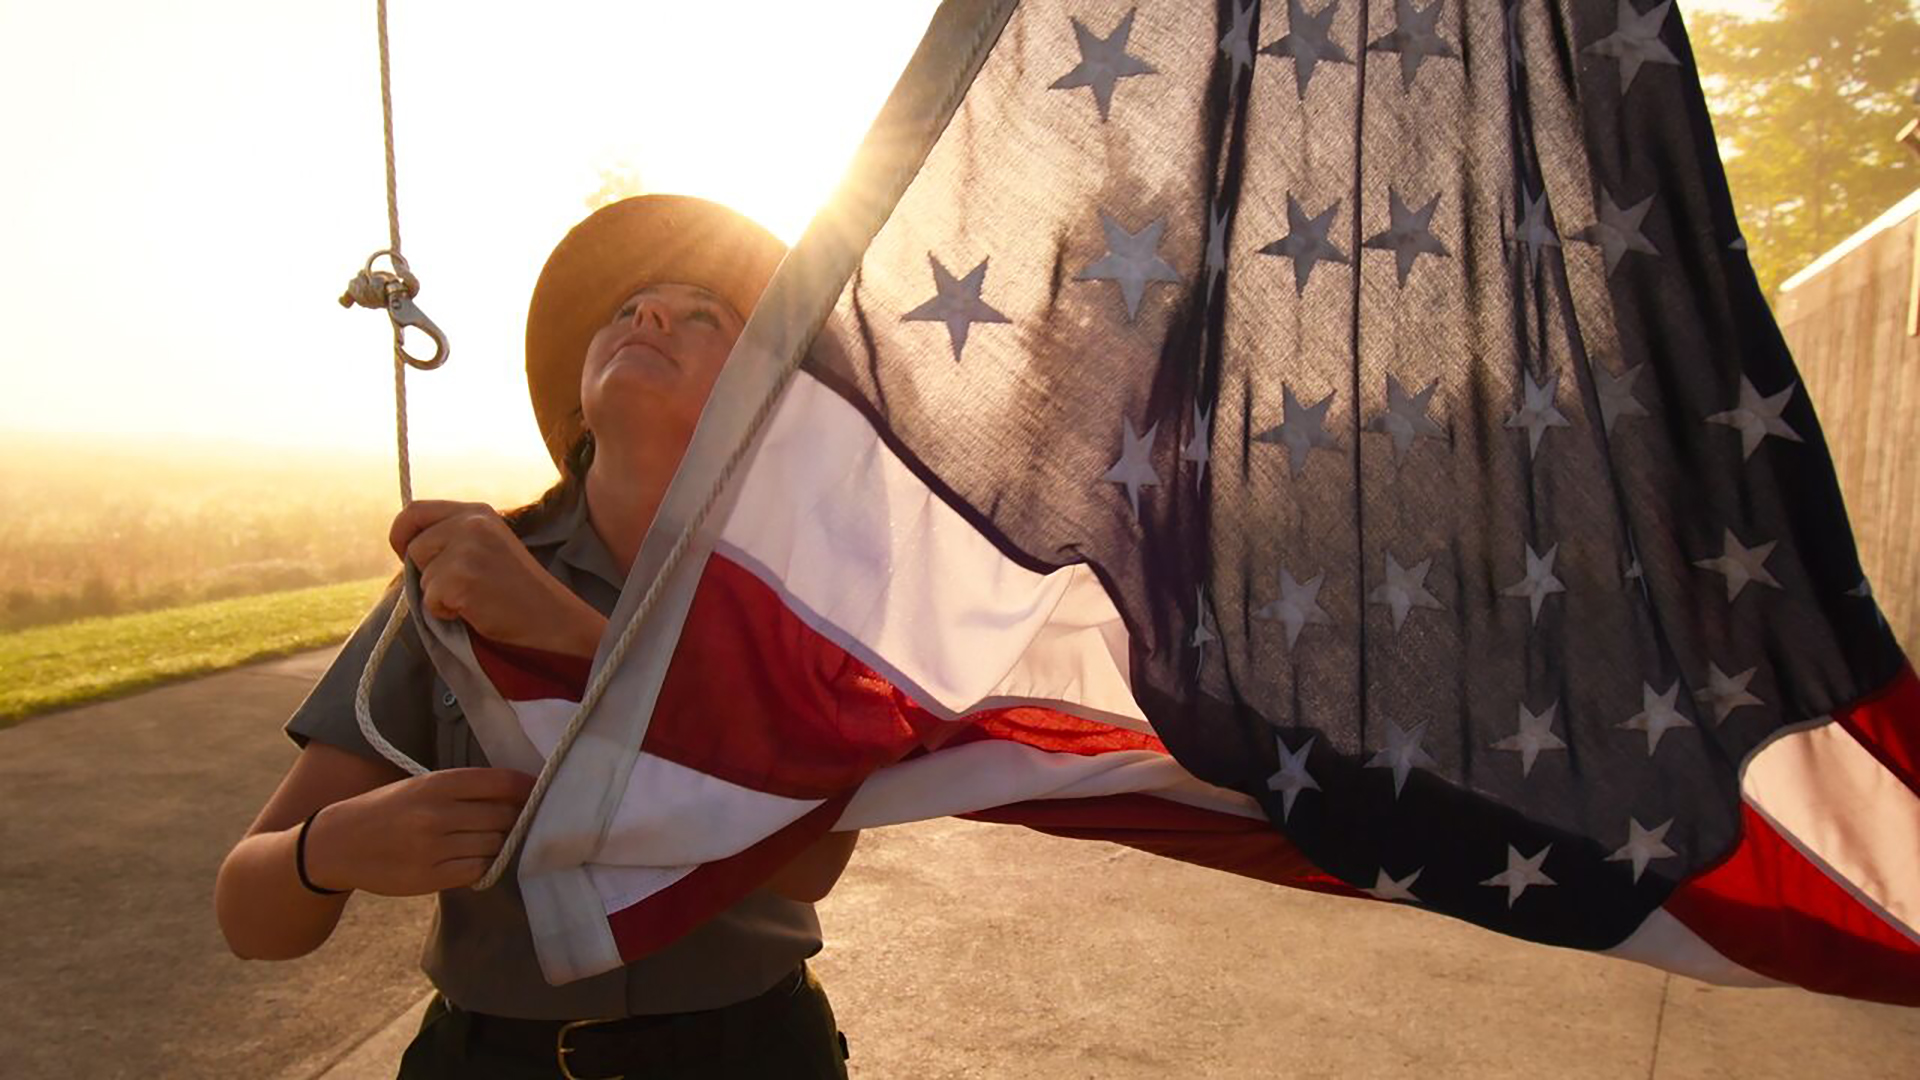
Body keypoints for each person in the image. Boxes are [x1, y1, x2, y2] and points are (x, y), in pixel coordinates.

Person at [214, 194, 858, 1079]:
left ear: (765, 396)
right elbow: (249, 915)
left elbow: (812, 860)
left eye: (704, 314)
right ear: (581, 405)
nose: (650, 315)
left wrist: (561, 634)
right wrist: (330, 850)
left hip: (750, 1050)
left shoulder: (801, 591)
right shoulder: (459, 579)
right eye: (626, 310)